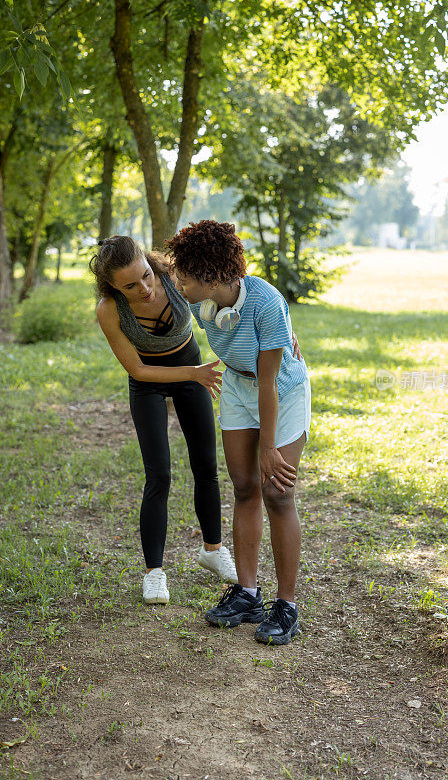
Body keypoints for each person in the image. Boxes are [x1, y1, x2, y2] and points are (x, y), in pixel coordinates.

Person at [166, 220, 311, 645]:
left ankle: (287, 606)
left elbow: (268, 384)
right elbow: (154, 273)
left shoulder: (265, 303)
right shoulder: (199, 301)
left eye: (186, 277)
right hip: (235, 384)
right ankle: (247, 593)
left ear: (211, 277)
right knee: (245, 486)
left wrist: (268, 445)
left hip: (280, 390)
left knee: (278, 493)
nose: (181, 284)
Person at [90, 235, 239, 605]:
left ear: (148, 261)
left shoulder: (174, 274)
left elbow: (236, 291)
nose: (143, 287)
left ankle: (213, 549)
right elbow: (138, 370)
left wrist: (283, 331)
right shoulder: (109, 309)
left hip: (193, 370)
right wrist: (192, 374)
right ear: (112, 286)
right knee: (159, 476)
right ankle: (154, 574)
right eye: (130, 285)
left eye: (145, 276)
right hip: (151, 383)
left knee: (206, 466)